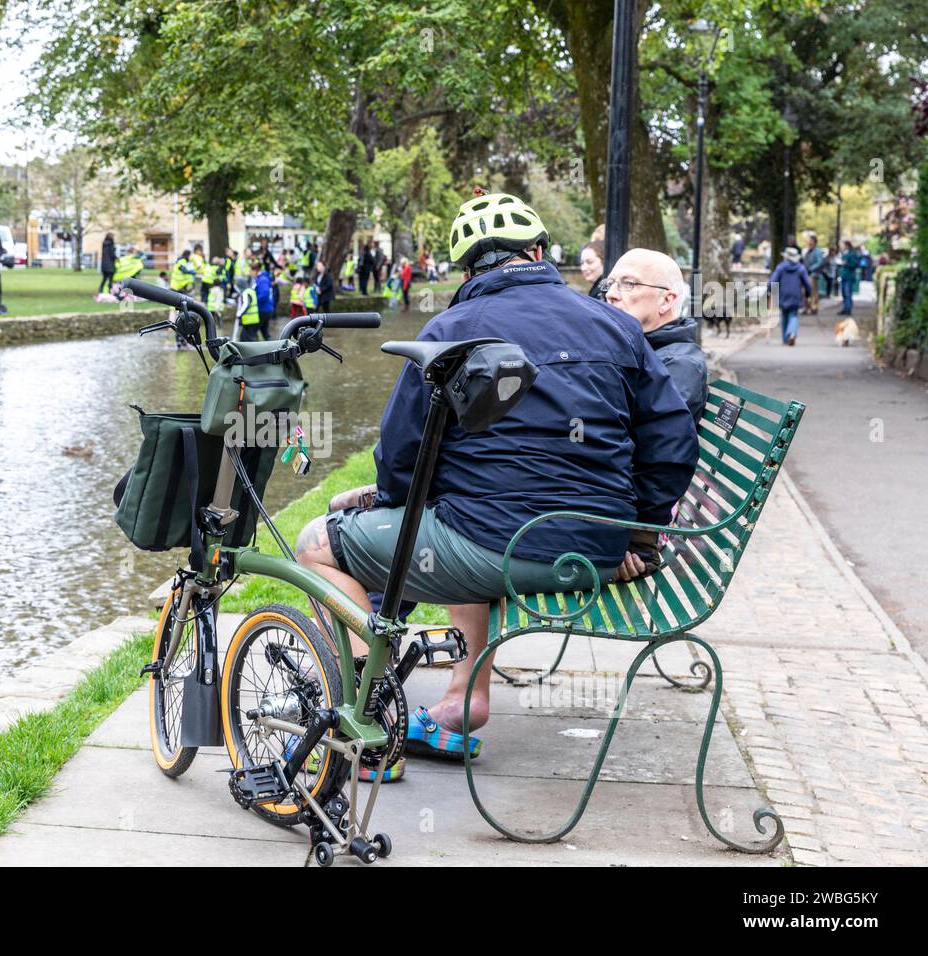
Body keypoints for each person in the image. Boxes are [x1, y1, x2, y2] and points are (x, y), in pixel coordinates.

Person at [297, 190, 698, 771]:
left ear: (468, 268)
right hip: (598, 548)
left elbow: (402, 456)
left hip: (501, 548)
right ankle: (466, 699)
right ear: (538, 251)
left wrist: (391, 504)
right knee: (463, 525)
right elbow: (670, 443)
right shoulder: (615, 325)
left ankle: (368, 716)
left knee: (318, 543)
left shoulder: (452, 326)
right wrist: (639, 531)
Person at [604, 248, 706, 418]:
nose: (610, 294)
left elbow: (655, 437)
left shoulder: (679, 364)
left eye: (629, 284)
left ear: (666, 300)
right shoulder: (639, 349)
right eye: (609, 284)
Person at [768, 246, 812, 346]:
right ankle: (792, 333)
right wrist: (808, 294)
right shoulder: (800, 268)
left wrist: (769, 289)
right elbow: (807, 283)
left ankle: (785, 338)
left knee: (784, 315)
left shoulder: (780, 267)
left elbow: (773, 281)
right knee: (793, 315)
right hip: (796, 294)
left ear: (786, 257)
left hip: (783, 294)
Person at [802, 234, 825, 314]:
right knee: (806, 291)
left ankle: (813, 307)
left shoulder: (817, 251)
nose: (808, 242)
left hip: (813, 274)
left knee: (813, 292)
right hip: (807, 273)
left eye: (810, 240)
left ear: (814, 241)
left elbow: (820, 262)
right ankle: (807, 307)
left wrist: (811, 268)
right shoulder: (808, 250)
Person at [254, 258, 275, 339]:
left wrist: (254, 301)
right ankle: (272, 348)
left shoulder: (262, 279)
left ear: (255, 270)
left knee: (253, 331)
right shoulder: (261, 278)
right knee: (265, 332)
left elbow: (264, 294)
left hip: (264, 309)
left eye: (250, 271)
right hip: (266, 309)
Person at [838, 240, 860, 316]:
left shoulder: (852, 254)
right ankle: (845, 308)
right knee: (844, 293)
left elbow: (855, 264)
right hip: (843, 275)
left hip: (849, 276)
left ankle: (848, 309)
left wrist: (847, 263)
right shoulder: (844, 253)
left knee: (848, 293)